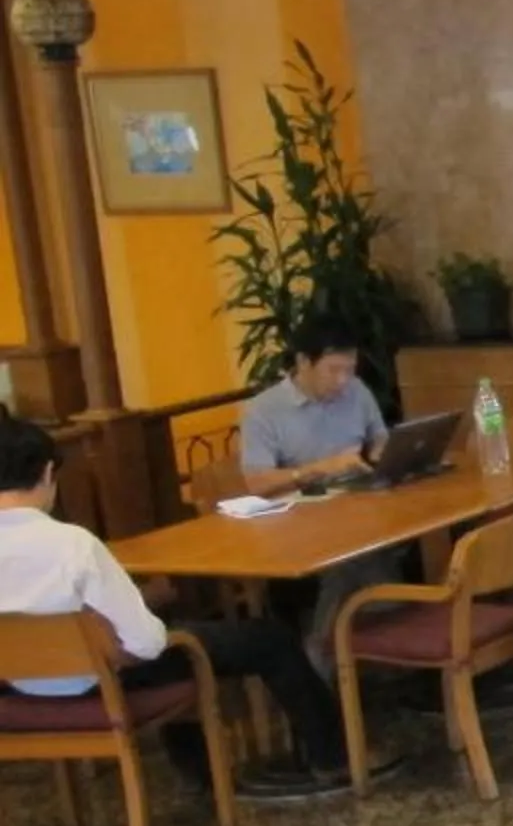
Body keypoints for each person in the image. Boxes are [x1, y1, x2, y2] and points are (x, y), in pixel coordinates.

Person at [0, 414, 390, 799]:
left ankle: (201, 776)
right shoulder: (75, 545)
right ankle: (334, 760)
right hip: (100, 683)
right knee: (267, 639)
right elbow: (146, 644)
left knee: (170, 635)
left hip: (18, 691)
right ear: (48, 473)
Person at [238, 321, 388, 498]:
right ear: (303, 361)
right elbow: (257, 484)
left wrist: (381, 452)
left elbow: (379, 437)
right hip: (304, 504)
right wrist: (318, 470)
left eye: (349, 370)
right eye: (333, 370)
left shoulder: (357, 389)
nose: (342, 381)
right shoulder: (262, 410)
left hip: (357, 495)